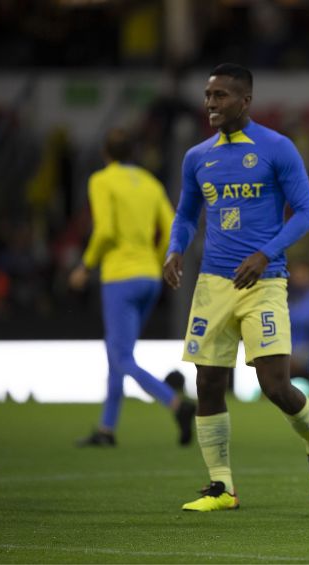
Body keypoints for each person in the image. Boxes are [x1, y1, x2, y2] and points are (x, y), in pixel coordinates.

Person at [164, 63, 309, 512]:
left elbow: (306, 212)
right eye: (208, 95)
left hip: (264, 282)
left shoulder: (277, 149)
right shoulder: (197, 157)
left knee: (275, 386)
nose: (211, 104)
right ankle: (222, 487)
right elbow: (185, 215)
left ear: (245, 100)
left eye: (220, 95)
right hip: (212, 284)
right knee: (208, 382)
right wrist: (175, 248)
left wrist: (265, 254)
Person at [69, 128, 196, 448]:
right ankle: (106, 429)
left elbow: (106, 230)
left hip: (119, 278)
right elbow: (172, 226)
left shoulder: (101, 180)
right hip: (149, 278)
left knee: (121, 355)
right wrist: (156, 260)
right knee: (118, 353)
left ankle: (176, 404)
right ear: (133, 153)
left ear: (105, 153)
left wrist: (85, 266)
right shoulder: (150, 183)